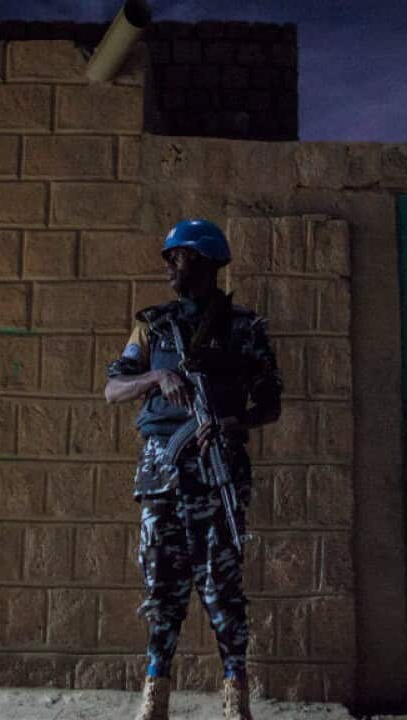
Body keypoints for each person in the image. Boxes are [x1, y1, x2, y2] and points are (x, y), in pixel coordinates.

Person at [104, 219, 283, 720]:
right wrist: (158, 376)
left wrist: (231, 422)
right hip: (161, 474)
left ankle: (235, 700)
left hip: (217, 472)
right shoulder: (152, 325)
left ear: (203, 263)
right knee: (161, 589)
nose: (168, 267)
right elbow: (113, 388)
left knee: (222, 590)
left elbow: (269, 404)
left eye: (177, 257)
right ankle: (155, 698)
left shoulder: (245, 328)